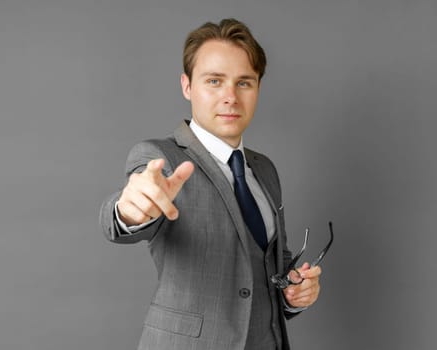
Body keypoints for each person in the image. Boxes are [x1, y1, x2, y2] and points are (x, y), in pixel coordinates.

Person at [99, 18, 322, 350]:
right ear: (187, 86)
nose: (230, 96)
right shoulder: (160, 157)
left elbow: (272, 261)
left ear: (258, 88)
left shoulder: (265, 169)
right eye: (214, 81)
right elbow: (123, 216)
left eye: (244, 83)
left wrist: (295, 291)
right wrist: (128, 211)